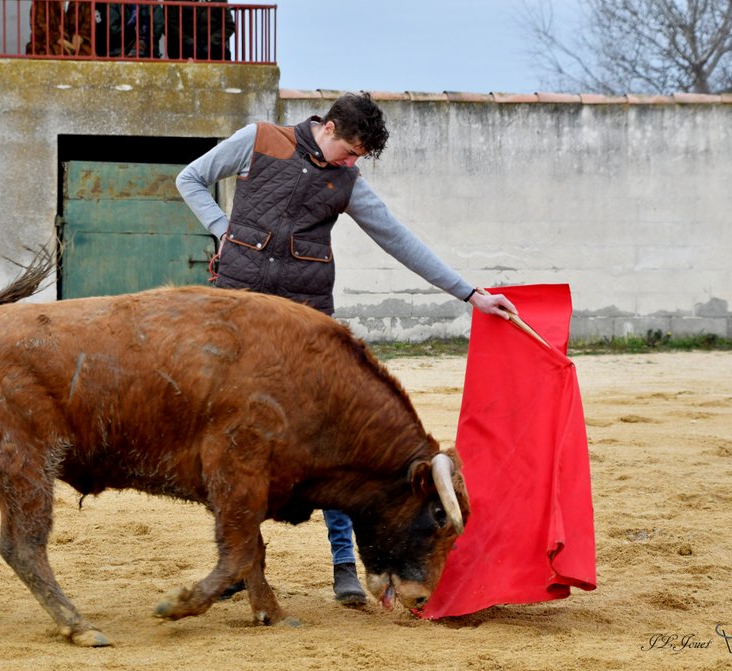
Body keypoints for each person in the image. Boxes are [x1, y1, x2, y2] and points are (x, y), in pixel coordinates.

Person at [175, 92, 517, 605]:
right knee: (232, 439)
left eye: (359, 157)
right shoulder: (260, 139)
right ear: (329, 128)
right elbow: (189, 179)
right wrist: (224, 231)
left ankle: (343, 568)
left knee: (336, 442)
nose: (353, 164)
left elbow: (399, 241)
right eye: (351, 152)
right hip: (238, 317)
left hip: (307, 326)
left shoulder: (347, 181)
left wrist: (469, 293)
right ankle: (240, 562)